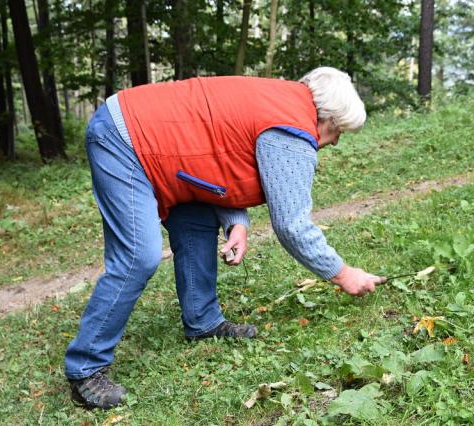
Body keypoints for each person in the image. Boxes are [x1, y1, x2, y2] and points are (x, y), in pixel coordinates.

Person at [64, 67, 387, 409]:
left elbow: (221, 150)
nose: (335, 141)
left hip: (167, 156)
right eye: (336, 131)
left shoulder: (278, 102)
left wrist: (237, 222)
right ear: (326, 117)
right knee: (138, 256)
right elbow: (292, 225)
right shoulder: (293, 128)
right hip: (124, 137)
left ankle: (203, 321)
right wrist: (343, 274)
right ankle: (85, 369)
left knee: (197, 217)